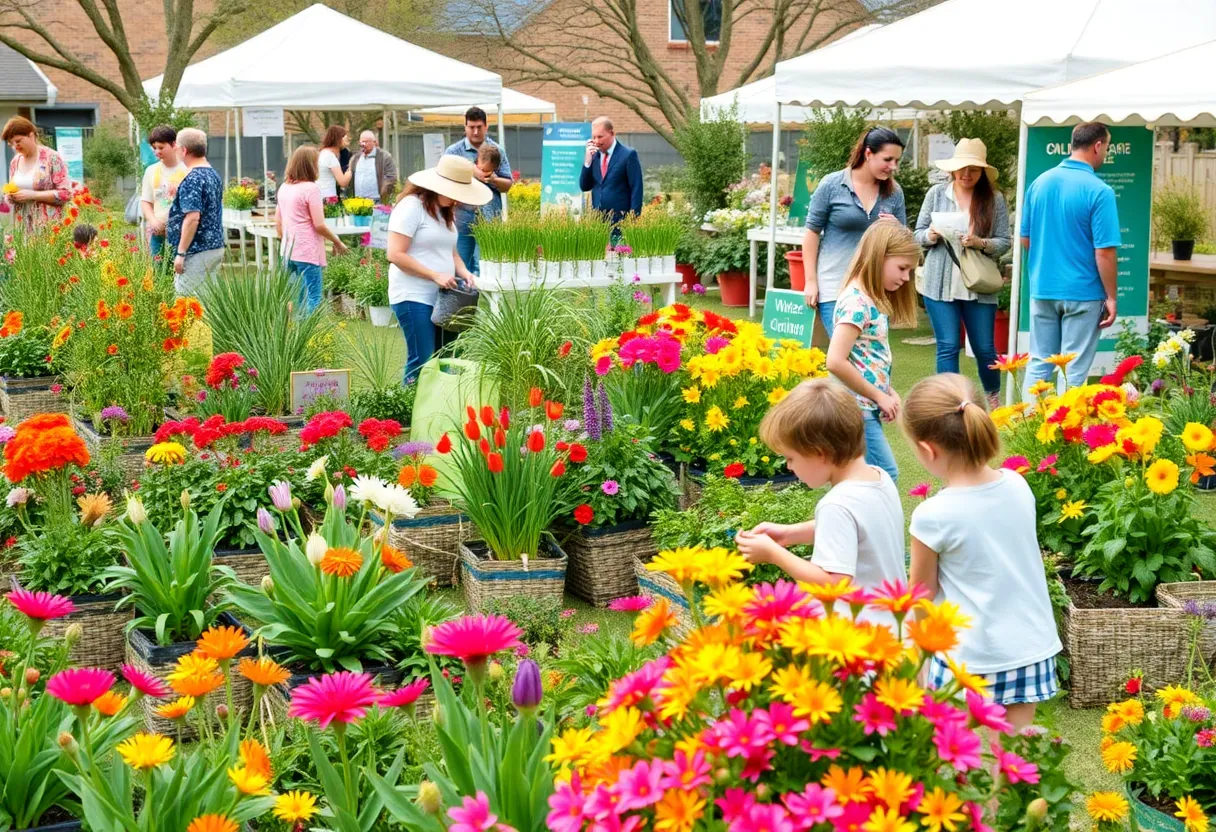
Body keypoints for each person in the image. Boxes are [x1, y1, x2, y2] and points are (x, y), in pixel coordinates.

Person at [903, 373, 1062, 726]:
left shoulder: (933, 515)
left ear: (928, 449)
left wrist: (917, 662)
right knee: (1011, 760)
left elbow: (922, 597)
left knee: (968, 763)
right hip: (1030, 649)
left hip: (970, 659)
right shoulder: (1018, 484)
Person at [735, 378, 906, 626]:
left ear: (819, 454)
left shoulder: (835, 504)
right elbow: (858, 529)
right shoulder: (879, 479)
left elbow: (834, 584)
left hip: (858, 637)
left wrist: (774, 554)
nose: (788, 466)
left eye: (790, 458)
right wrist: (789, 534)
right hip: (893, 624)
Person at [1021, 121, 1120, 393]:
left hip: (1043, 288)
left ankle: (1026, 432)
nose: (1106, 154)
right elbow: (1105, 252)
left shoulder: (1039, 183)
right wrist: (1111, 297)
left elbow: (1026, 238)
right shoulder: (1100, 191)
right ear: (1098, 145)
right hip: (1083, 291)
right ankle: (1067, 434)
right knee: (1074, 370)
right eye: (1107, 147)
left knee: (1039, 363)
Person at [914, 138, 1011, 409]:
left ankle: (993, 398)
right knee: (946, 345)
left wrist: (980, 242)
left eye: (974, 169)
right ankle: (950, 402)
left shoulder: (994, 199)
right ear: (953, 169)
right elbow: (917, 233)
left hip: (978, 285)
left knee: (984, 348)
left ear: (982, 173)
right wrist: (930, 236)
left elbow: (1004, 241)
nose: (966, 174)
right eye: (962, 168)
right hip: (939, 283)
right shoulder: (936, 194)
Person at [825, 220, 919, 485]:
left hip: (864, 405)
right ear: (880, 256)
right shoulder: (857, 302)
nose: (906, 277)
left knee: (860, 478)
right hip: (856, 408)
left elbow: (865, 355)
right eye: (902, 268)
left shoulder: (869, 298)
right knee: (884, 475)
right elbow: (835, 360)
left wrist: (885, 391)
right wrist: (878, 395)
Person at [387, 155, 488, 383]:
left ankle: (434, 410)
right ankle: (408, 409)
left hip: (443, 299)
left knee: (444, 360)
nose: (458, 200)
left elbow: (451, 253)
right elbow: (395, 254)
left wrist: (467, 274)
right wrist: (434, 275)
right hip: (413, 295)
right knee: (423, 360)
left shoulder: (445, 213)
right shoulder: (412, 207)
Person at [802, 127, 907, 336]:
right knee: (847, 355)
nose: (893, 166)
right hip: (834, 287)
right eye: (888, 159)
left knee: (872, 354)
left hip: (875, 288)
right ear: (868, 153)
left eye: (896, 160)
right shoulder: (831, 185)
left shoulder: (894, 193)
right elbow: (811, 233)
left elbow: (904, 245)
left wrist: (898, 229)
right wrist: (811, 282)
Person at [275, 146, 349, 313]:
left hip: (287, 250)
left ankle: (292, 332)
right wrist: (337, 242)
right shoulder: (312, 188)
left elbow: (278, 222)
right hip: (307, 250)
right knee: (314, 296)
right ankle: (309, 335)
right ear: (311, 165)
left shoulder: (284, 188)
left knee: (294, 296)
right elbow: (319, 225)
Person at [444, 108, 512, 275]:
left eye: (479, 127)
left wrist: (494, 180)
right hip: (461, 216)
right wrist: (470, 171)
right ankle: (461, 299)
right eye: (471, 127)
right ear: (465, 127)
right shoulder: (453, 151)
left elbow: (508, 183)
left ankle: (487, 300)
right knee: (459, 264)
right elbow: (443, 182)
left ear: (486, 127)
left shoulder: (497, 150)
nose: (475, 131)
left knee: (486, 266)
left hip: (489, 216)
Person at [166, 128, 225, 296]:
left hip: (197, 249)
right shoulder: (213, 174)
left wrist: (181, 252)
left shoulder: (193, 179)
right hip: (214, 245)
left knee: (186, 302)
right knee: (207, 301)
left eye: (177, 147)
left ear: (184, 150)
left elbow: (192, 218)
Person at [2, 116, 71, 232]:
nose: (15, 147)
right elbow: (12, 192)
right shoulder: (15, 162)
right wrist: (10, 197)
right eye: (11, 144)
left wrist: (33, 195)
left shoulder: (52, 158)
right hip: (22, 229)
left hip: (48, 229)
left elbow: (66, 194)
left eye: (18, 141)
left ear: (31, 135)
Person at [579, 116, 643, 226]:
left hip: (621, 222)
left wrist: (633, 220)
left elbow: (637, 188)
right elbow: (584, 186)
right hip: (598, 223)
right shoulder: (594, 156)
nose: (597, 141)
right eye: (594, 137)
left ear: (612, 133)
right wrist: (587, 162)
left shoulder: (628, 155)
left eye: (600, 137)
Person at [140, 125, 188, 258]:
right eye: (154, 148)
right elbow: (146, 201)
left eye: (161, 147)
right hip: (157, 233)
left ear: (173, 144)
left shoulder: (187, 171)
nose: (157, 152)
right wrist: (153, 222)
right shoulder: (151, 171)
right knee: (158, 274)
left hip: (181, 234)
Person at [350, 130, 399, 205]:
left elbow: (392, 177)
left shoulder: (384, 157)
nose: (364, 144)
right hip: (358, 200)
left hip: (377, 201)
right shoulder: (356, 157)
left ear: (374, 142)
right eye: (362, 142)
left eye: (366, 142)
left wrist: (384, 191)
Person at [317, 125, 352, 201]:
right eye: (344, 137)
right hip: (328, 198)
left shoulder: (323, 153)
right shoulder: (330, 157)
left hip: (320, 195)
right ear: (339, 139)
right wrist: (351, 168)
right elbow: (343, 182)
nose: (347, 139)